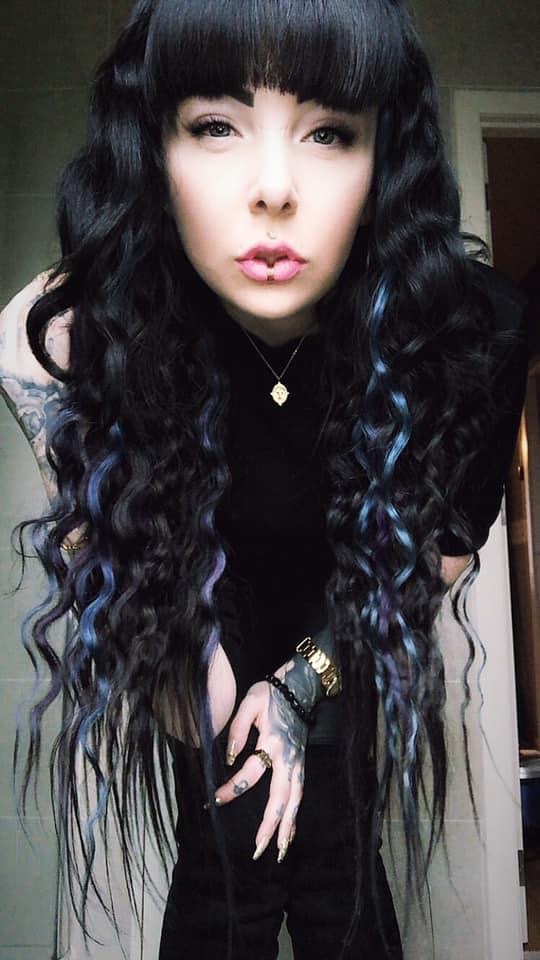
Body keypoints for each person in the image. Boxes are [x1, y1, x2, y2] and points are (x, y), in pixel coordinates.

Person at [0, 1, 530, 958]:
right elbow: (104, 521)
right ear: (153, 148)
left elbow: (431, 559)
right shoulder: (92, 330)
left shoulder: (471, 334)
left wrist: (299, 688)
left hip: (354, 615)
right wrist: (195, 657)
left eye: (330, 132)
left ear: (383, 156)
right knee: (226, 851)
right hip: (203, 604)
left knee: (337, 861)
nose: (275, 189)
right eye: (216, 125)